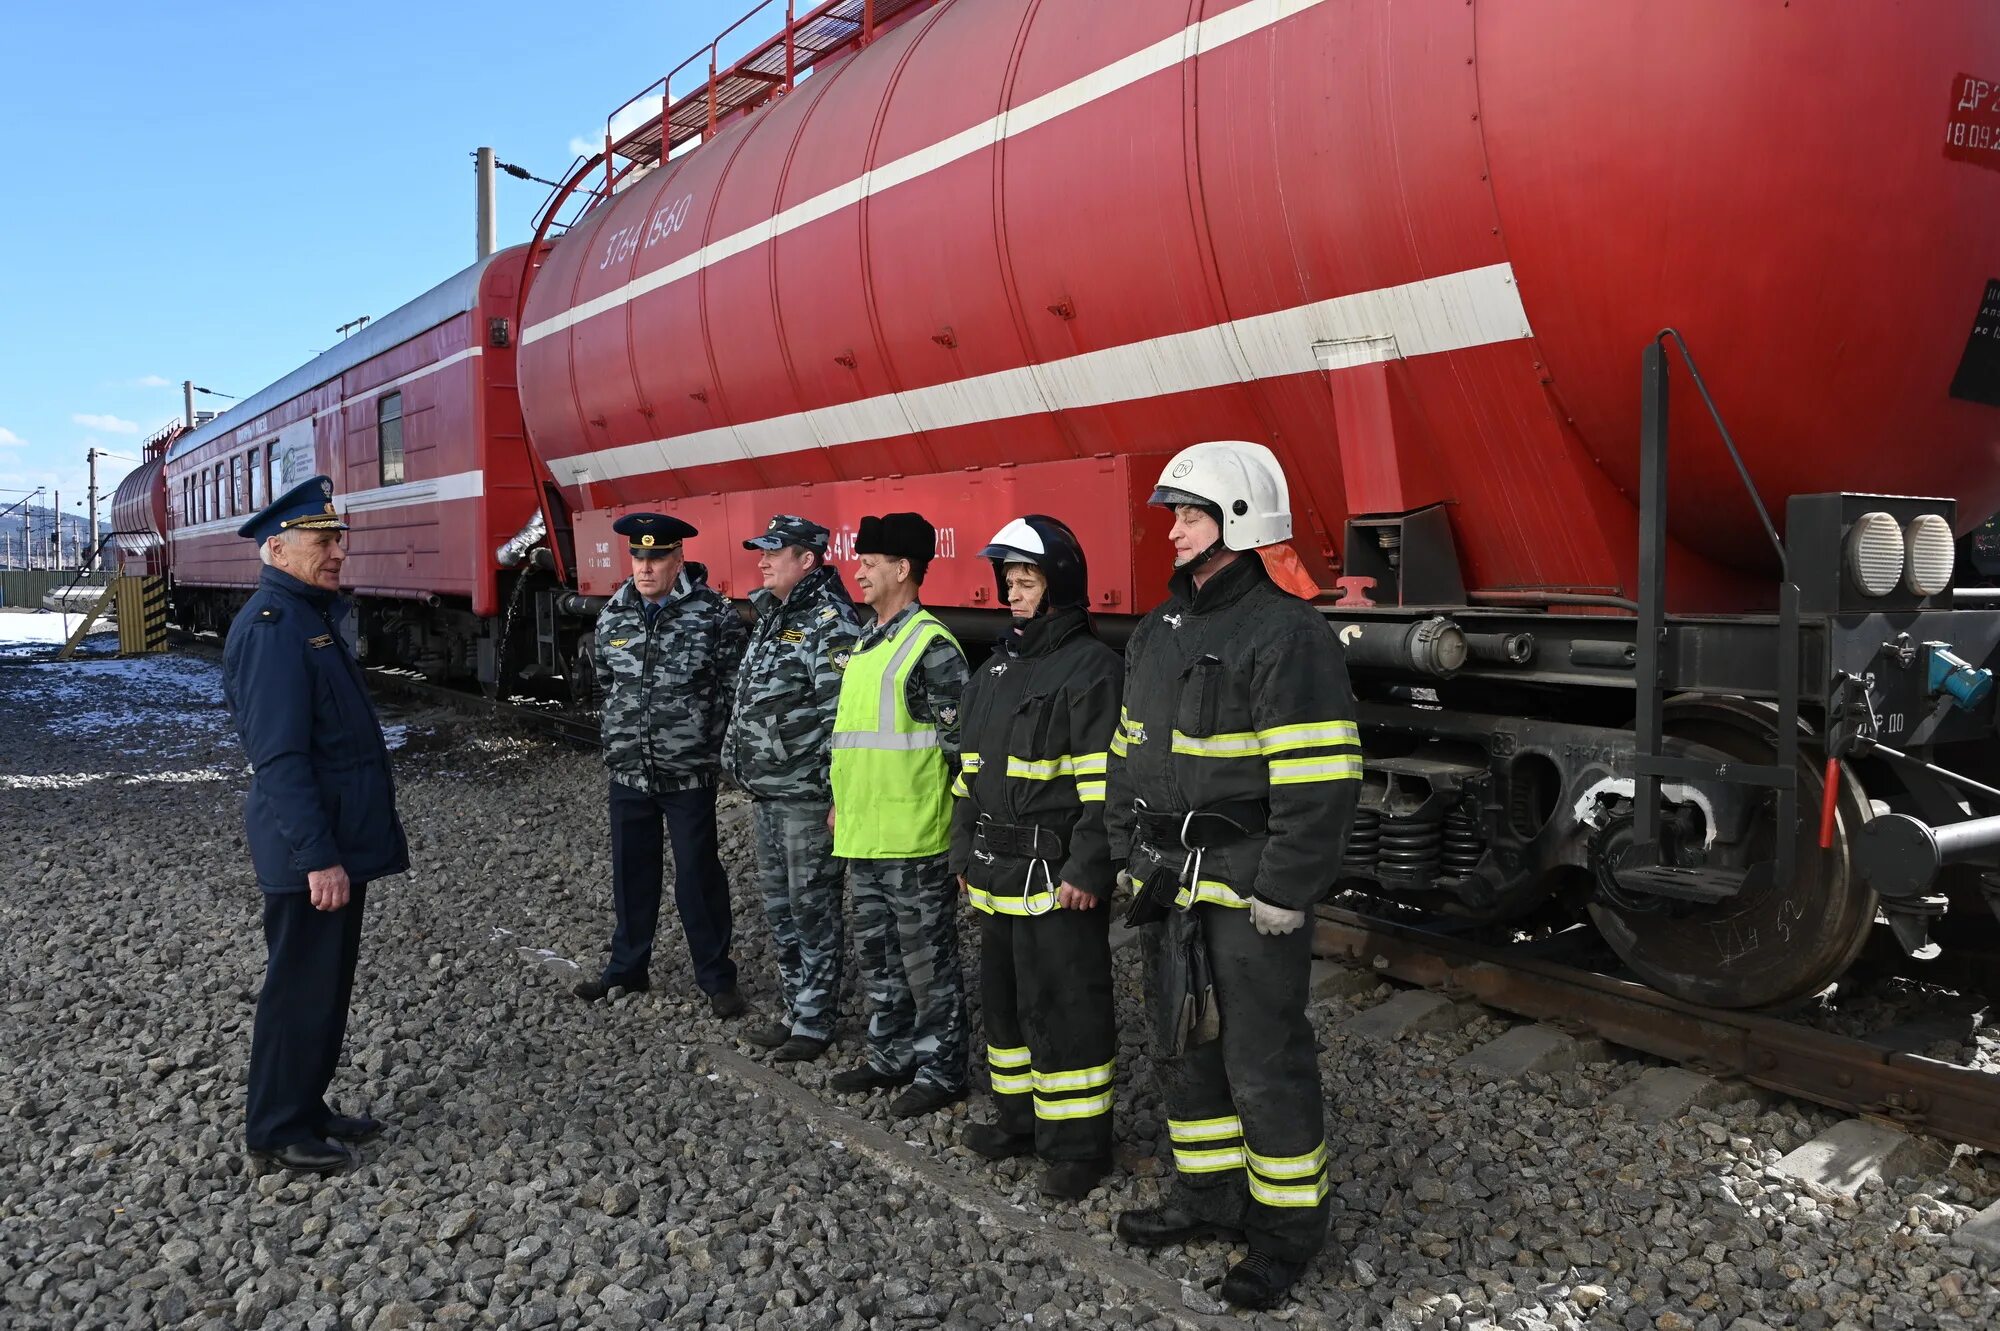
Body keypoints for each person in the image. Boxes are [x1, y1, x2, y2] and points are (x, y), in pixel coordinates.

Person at [1104, 441, 1362, 1311]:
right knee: (1185, 1045)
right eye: (1174, 515)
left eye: (1189, 515)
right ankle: (1206, 1196)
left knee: (1264, 1057)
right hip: (1168, 877)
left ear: (1239, 523)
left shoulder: (1289, 634)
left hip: (1248, 886)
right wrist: (1123, 847)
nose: (1171, 531)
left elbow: (1319, 779)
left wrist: (1286, 888)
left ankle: (1286, 1233)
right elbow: (1126, 754)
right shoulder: (1159, 630)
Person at [223, 475, 408, 1175]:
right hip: (313, 850)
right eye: (322, 541)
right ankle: (274, 1124)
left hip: (335, 842)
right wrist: (317, 855)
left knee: (326, 982)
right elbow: (279, 757)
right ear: (277, 548)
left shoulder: (310, 615)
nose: (337, 552)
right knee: (299, 983)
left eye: (338, 539)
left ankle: (306, 1102)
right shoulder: (275, 629)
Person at [949, 516, 1122, 1199]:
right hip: (995, 875)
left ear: (1060, 587)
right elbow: (967, 772)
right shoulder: (995, 670)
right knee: (1008, 1009)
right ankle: (1018, 1121)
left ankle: (1079, 1146)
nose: (1013, 594)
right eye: (1010, 582)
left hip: (1057, 881)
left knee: (1067, 1011)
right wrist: (962, 850)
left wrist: (1089, 867)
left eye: (1026, 582)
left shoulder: (1092, 671)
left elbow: (1107, 788)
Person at [826, 511, 972, 1117]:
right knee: (880, 958)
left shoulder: (932, 647)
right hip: (865, 834)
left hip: (914, 840)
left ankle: (942, 1069)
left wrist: (963, 842)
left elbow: (963, 755)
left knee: (927, 964)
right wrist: (840, 805)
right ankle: (891, 1055)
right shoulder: (870, 638)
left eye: (870, 562)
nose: (857, 571)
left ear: (903, 569)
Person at [577, 511, 750, 1017]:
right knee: (632, 873)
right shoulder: (615, 613)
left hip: (688, 772)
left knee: (698, 876)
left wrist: (708, 747)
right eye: (638, 556)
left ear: (678, 559)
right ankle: (627, 968)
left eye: (656, 557)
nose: (645, 567)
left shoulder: (712, 613)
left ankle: (716, 978)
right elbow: (607, 684)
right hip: (629, 771)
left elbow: (731, 687)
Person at [722, 514, 861, 1062]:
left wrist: (836, 797)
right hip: (770, 794)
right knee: (781, 910)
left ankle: (815, 1020)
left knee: (812, 910)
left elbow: (840, 720)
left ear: (808, 559)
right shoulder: (774, 614)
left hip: (806, 798)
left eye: (774, 553)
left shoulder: (830, 622)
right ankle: (795, 1010)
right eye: (761, 551)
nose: (762, 561)